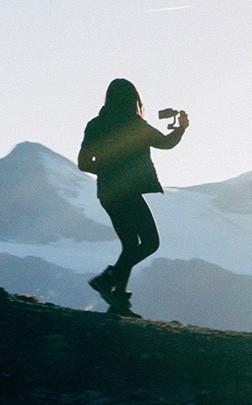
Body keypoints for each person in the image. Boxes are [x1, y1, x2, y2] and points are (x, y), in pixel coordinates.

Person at [78, 78, 189, 317]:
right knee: (150, 242)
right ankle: (108, 281)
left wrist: (108, 171)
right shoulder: (137, 126)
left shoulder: (95, 125)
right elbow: (166, 143)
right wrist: (181, 128)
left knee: (129, 245)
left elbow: (84, 163)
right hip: (128, 192)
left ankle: (118, 302)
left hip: (107, 193)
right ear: (133, 100)